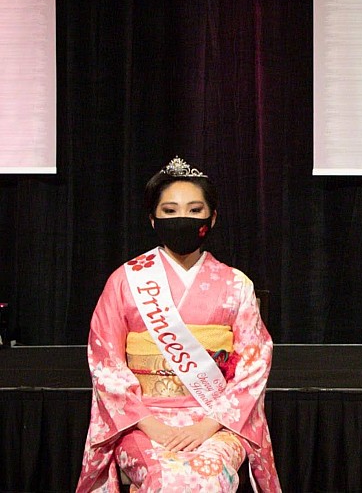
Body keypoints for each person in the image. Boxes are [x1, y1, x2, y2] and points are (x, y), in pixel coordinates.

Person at [76, 157, 280, 492]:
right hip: (142, 422)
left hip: (217, 422)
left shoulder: (235, 284)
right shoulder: (125, 280)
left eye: (194, 210)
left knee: (211, 474)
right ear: (153, 219)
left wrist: (208, 426)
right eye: (169, 211)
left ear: (211, 218)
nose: (181, 219)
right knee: (166, 477)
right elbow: (106, 363)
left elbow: (254, 365)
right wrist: (150, 425)